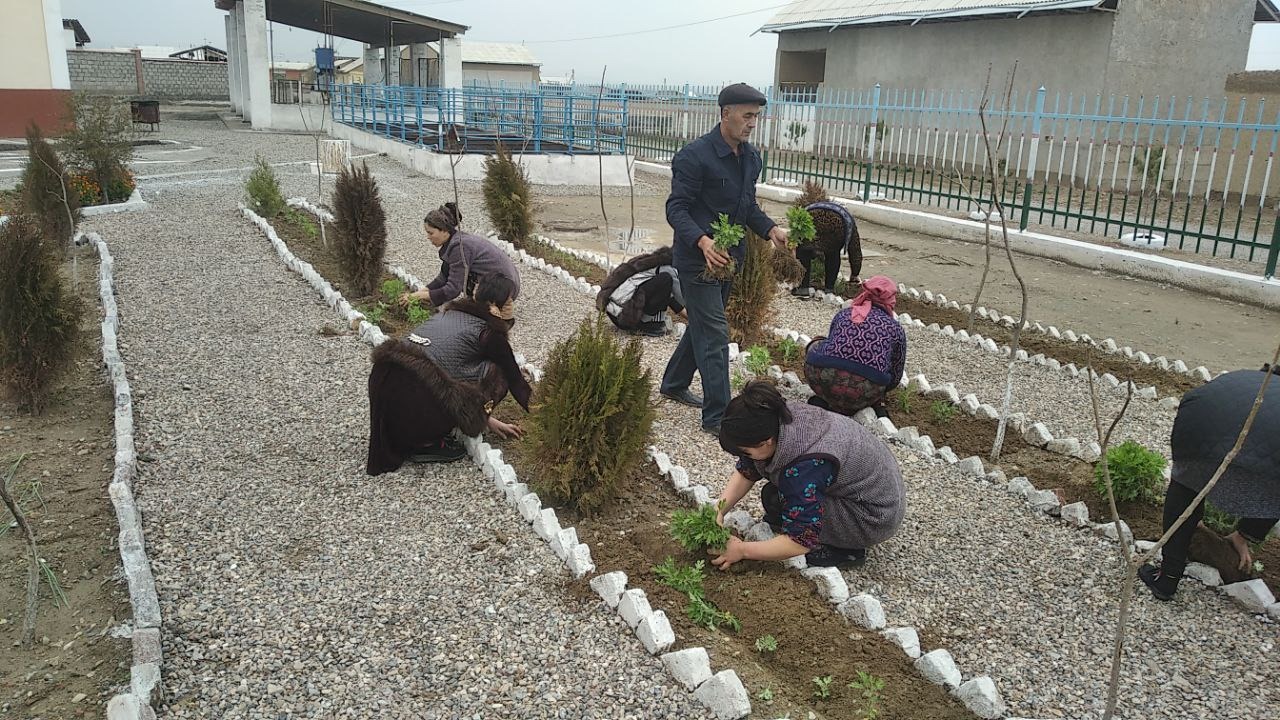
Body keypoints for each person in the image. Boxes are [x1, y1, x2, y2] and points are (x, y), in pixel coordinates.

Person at [660, 83, 789, 435]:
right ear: (725, 114)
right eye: (746, 116)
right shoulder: (694, 156)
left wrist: (770, 230)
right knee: (716, 334)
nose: (752, 123)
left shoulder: (751, 159)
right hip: (697, 260)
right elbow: (676, 208)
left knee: (704, 324)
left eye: (756, 117)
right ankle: (718, 417)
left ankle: (673, 383)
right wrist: (702, 241)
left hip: (729, 261)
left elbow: (745, 207)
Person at [710, 381, 905, 569]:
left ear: (766, 442)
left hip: (871, 516)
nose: (746, 458)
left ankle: (845, 550)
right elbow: (747, 471)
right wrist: (718, 510)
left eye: (746, 452)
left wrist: (742, 550)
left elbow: (800, 541)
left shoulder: (806, 466)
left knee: (783, 502)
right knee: (775, 497)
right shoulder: (775, 417)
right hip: (864, 491)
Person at [1140, 365, 1279, 601]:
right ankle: (1242, 535)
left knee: (1185, 485)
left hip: (1199, 426)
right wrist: (1250, 532)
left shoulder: (1249, 378)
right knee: (1273, 485)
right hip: (1229, 433)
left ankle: (1168, 578)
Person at [366, 275, 529, 475]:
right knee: (498, 371)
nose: (513, 306)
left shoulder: (449, 314)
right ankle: (426, 443)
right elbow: (515, 380)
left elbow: (451, 364)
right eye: (510, 301)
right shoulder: (489, 334)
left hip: (382, 383)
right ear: (495, 306)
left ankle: (414, 436)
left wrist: (489, 420)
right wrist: (543, 413)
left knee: (455, 366)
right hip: (412, 399)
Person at [802, 276, 906, 417]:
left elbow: (833, 344)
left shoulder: (844, 314)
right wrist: (881, 389)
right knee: (884, 365)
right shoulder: (895, 328)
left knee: (818, 343)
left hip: (823, 381)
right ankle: (868, 405)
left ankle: (827, 399)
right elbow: (896, 372)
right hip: (865, 392)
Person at [403, 202, 522, 325]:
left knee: (473, 315)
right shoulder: (454, 241)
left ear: (444, 230)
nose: (428, 237)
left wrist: (418, 297)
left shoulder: (459, 247)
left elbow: (453, 289)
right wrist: (421, 292)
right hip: (497, 280)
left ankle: (495, 310)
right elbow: (443, 277)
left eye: (431, 233)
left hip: (503, 286)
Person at [596, 246, 687, 337]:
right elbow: (682, 299)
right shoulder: (669, 269)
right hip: (625, 317)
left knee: (663, 287)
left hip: (614, 313)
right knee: (665, 280)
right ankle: (643, 325)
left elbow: (671, 298)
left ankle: (645, 323)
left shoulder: (649, 261)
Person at [792, 201, 863, 299]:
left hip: (810, 219)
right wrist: (855, 273)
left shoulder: (810, 208)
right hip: (836, 229)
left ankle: (803, 287)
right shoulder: (847, 219)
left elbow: (795, 238)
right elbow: (855, 249)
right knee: (832, 255)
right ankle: (829, 289)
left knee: (804, 251)